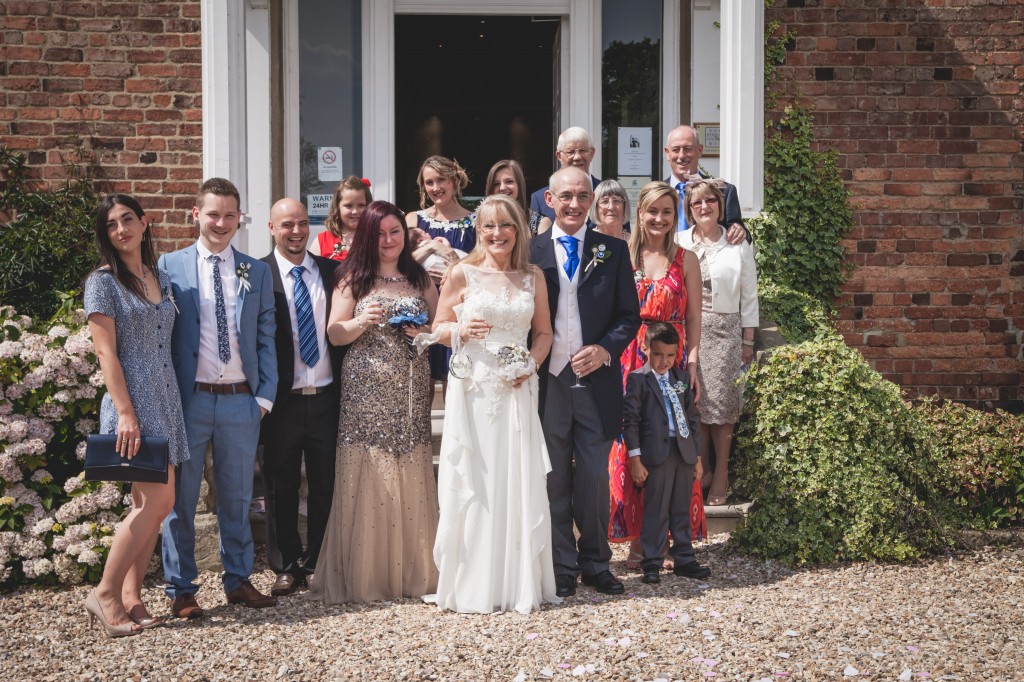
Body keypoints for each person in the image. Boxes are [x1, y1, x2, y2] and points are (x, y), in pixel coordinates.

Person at [423, 194, 558, 614]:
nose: (496, 234)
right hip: (476, 389)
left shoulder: (532, 276)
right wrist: (461, 327)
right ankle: (474, 582)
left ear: (518, 229)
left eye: (505, 225)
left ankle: (516, 581)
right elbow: (437, 328)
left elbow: (544, 335)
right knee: (477, 479)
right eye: (487, 226)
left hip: (517, 388)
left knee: (516, 476)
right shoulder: (462, 272)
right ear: (477, 230)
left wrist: (530, 366)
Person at [309, 200, 439, 604]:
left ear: (405, 233)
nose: (388, 240)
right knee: (368, 469)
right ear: (368, 236)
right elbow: (334, 333)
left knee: (410, 461)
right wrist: (361, 321)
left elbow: (440, 326)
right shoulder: (353, 279)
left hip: (412, 386)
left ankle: (412, 572)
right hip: (366, 387)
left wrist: (425, 330)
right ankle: (368, 575)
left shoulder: (420, 278)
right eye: (380, 233)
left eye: (395, 231)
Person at [160, 178, 279, 617]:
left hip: (240, 401)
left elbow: (266, 335)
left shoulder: (255, 270)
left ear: (240, 218)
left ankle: (238, 580)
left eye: (230, 215)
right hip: (189, 400)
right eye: (213, 214)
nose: (222, 223)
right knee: (181, 499)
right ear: (196, 214)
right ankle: (181, 589)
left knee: (237, 496)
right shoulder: (168, 266)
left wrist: (264, 397)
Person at [530, 166, 641, 597]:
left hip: (597, 381)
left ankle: (596, 561)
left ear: (591, 199)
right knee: (554, 475)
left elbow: (629, 315)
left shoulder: (612, 250)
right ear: (551, 199)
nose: (575, 204)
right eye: (566, 196)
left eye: (582, 195)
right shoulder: (531, 250)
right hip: (548, 379)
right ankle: (561, 564)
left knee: (594, 475)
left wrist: (606, 349)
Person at [82, 195, 190, 637]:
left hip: (166, 397)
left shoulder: (159, 277)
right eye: (111, 225)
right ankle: (105, 594)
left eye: (128, 219)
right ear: (105, 235)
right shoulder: (102, 282)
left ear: (145, 223)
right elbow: (105, 351)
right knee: (160, 501)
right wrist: (125, 413)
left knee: (148, 505)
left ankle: (131, 597)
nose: (121, 229)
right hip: (134, 400)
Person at [608, 181, 705, 569]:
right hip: (630, 360)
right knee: (630, 448)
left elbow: (695, 316)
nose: (659, 219)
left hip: (671, 358)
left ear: (675, 213)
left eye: (667, 211)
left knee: (669, 448)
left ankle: (667, 540)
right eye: (652, 211)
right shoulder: (621, 255)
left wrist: (693, 363)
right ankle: (636, 541)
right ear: (640, 212)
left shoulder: (687, 259)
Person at [259, 198, 343, 597]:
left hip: (328, 396)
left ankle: (317, 561)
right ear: (271, 227)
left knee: (326, 483)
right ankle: (286, 565)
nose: (296, 231)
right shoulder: (258, 273)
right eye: (286, 224)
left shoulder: (332, 271)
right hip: (282, 400)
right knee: (281, 485)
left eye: (302, 223)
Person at [678, 180, 759, 506]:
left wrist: (747, 343)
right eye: (696, 203)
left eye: (710, 201)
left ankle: (721, 474)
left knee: (723, 408)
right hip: (687, 331)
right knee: (695, 405)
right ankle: (704, 470)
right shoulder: (678, 240)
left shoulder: (737, 243)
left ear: (720, 206)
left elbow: (750, 298)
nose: (704, 207)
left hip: (725, 333)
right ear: (689, 209)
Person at [622, 322, 710, 585]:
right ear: (645, 349)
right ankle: (651, 561)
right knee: (656, 509)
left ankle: (684, 557)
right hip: (656, 454)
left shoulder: (682, 379)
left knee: (680, 506)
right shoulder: (638, 379)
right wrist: (635, 459)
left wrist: (697, 457)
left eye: (670, 355)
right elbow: (631, 422)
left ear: (677, 354)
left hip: (682, 452)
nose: (664, 361)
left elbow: (692, 420)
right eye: (658, 354)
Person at [406, 155, 475, 390]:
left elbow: (481, 270)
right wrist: (433, 247)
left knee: (454, 385)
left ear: (455, 180)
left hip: (456, 312)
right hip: (421, 311)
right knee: (421, 388)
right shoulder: (414, 220)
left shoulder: (475, 222)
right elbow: (399, 266)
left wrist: (453, 261)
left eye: (441, 180)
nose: (435, 188)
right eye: (429, 182)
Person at [663, 125, 747, 244]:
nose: (681, 156)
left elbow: (742, 236)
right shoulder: (656, 193)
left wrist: (738, 230)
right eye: (676, 149)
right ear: (667, 153)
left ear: (699, 150)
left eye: (688, 149)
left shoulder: (723, 191)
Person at [528, 127, 602, 233]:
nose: (577, 157)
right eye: (570, 152)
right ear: (559, 156)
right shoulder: (540, 199)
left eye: (583, 151)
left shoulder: (608, 193)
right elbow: (536, 243)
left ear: (592, 153)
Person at [312, 176, 373, 261]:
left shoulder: (376, 237)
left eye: (361, 205)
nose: (355, 211)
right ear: (337, 207)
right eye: (348, 206)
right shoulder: (322, 240)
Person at [484, 159, 543, 236]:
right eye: (496, 184)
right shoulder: (479, 220)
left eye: (509, 181)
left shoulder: (540, 223)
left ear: (519, 184)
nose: (502, 188)